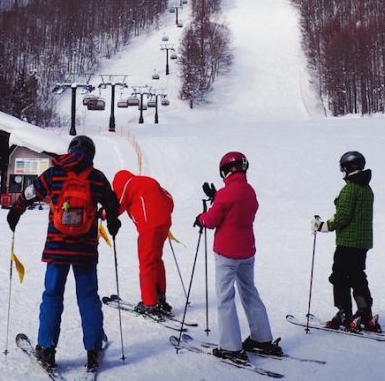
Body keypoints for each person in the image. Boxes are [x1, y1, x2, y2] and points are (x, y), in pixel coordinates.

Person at [6, 135, 121, 373]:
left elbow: (30, 193)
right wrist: (113, 221)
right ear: (91, 154)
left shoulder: (54, 173)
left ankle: (46, 348)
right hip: (85, 250)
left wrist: (16, 211)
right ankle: (93, 348)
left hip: (57, 247)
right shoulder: (96, 177)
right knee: (88, 297)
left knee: (52, 295)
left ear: (70, 150)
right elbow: (112, 204)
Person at [195, 151, 281, 365]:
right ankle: (262, 338)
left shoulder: (226, 193)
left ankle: (231, 347)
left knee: (225, 298)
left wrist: (201, 218)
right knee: (249, 292)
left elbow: (213, 219)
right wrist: (218, 199)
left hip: (226, 253)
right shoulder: (249, 191)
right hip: (247, 250)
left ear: (225, 171)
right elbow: (238, 208)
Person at [312, 149, 381, 332]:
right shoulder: (366, 188)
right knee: (358, 276)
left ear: (348, 168)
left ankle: (344, 314)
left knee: (340, 277)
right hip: (362, 243)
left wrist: (321, 226)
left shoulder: (350, 188)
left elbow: (342, 217)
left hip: (347, 243)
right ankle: (365, 315)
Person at [112, 169, 174, 314]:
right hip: (164, 222)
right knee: (156, 259)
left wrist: (103, 213)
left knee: (147, 262)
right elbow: (169, 199)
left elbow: (117, 206)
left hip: (149, 225)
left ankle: (149, 303)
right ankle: (160, 297)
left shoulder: (128, 184)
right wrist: (162, 213)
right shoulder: (147, 180)